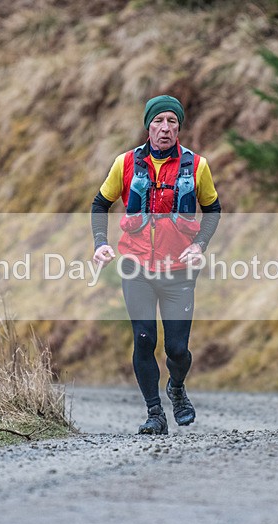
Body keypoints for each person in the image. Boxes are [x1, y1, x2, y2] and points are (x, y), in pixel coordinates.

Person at [91, 95, 221, 435]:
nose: (165, 128)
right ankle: (154, 413)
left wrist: (200, 244)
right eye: (159, 121)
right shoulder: (125, 163)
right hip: (136, 268)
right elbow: (99, 204)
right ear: (148, 125)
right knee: (144, 339)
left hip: (179, 270)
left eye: (172, 122)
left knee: (177, 349)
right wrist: (101, 244)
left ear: (179, 127)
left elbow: (213, 210)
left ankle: (176, 389)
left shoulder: (197, 166)